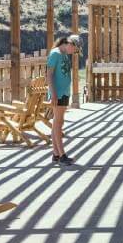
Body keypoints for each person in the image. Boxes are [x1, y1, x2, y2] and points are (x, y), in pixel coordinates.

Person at [46, 34, 78, 166]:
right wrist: (53, 93)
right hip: (57, 93)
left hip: (64, 93)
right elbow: (49, 75)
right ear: (69, 43)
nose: (74, 52)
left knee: (58, 123)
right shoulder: (55, 54)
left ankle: (56, 154)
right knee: (58, 124)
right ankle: (62, 155)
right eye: (75, 49)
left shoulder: (64, 55)